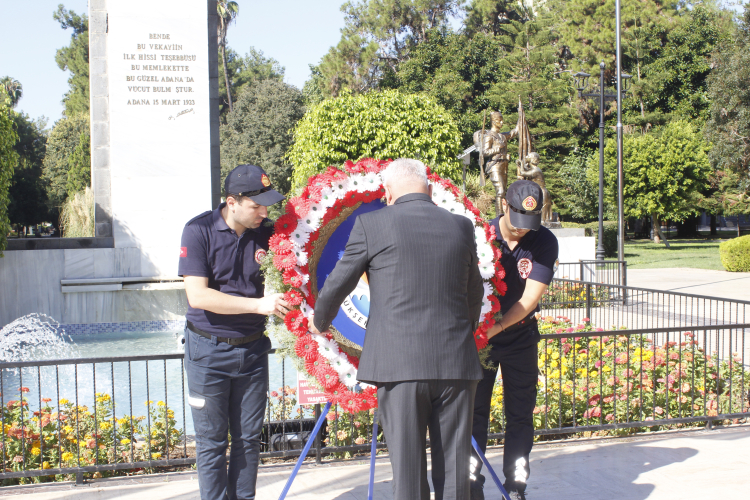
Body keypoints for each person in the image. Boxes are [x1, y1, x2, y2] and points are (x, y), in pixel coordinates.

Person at [310, 158, 485, 500]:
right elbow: (474, 292)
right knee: (454, 473)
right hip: (455, 364)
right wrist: (460, 335)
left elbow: (338, 283)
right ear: (429, 189)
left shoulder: (372, 225)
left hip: (399, 367)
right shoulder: (461, 227)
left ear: (388, 193)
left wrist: (319, 322)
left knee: (408, 472)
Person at [178, 164, 291, 500]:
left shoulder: (267, 232)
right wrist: (259, 306)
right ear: (232, 201)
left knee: (247, 442)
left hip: (253, 351)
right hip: (207, 351)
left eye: (267, 205)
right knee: (212, 444)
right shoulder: (198, 230)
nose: (264, 212)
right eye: (256, 206)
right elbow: (197, 296)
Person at [469, 180, 559, 500]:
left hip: (520, 337)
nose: (523, 230)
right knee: (474, 413)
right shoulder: (481, 235)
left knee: (520, 414)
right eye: (518, 220)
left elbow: (530, 299)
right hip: (483, 342)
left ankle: (515, 485)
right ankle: (472, 484)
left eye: (529, 224)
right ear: (504, 205)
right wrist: (482, 333)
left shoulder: (544, 241)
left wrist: (497, 328)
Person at [473, 111, 518, 216]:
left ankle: (506, 216)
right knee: (500, 191)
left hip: (504, 166)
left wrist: (520, 118)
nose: (502, 122)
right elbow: (484, 152)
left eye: (502, 120)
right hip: (495, 166)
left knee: (504, 193)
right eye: (499, 120)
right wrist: (497, 148)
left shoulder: (502, 136)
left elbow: (514, 132)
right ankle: (500, 217)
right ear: (493, 121)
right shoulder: (489, 136)